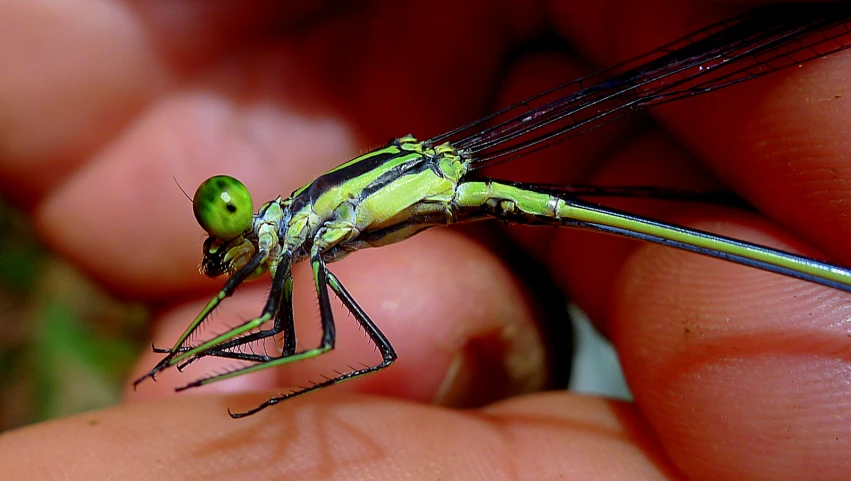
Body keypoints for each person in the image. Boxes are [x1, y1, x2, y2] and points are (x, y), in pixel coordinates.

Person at [0, 1, 849, 479]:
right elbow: (273, 320)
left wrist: (224, 375)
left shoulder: (307, 233)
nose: (235, 235)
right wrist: (192, 359)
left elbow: (322, 342)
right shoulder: (290, 229)